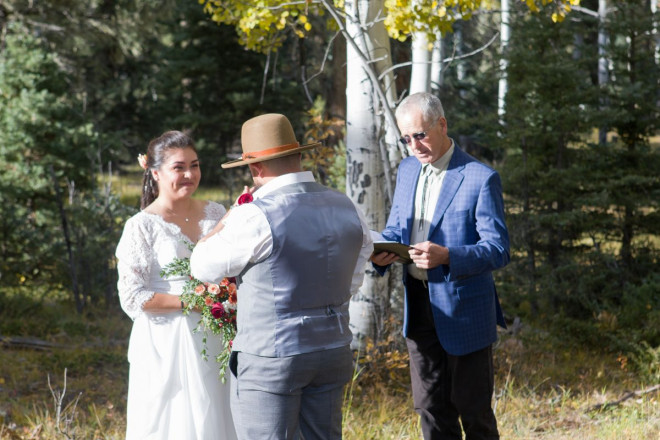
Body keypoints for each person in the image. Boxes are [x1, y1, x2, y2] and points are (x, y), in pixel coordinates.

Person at [190, 113, 373, 440]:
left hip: (271, 356)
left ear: (255, 168)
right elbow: (353, 280)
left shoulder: (255, 215)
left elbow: (202, 266)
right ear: (298, 155)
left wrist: (227, 218)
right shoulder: (347, 207)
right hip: (333, 349)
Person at [371, 92, 510, 440]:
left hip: (465, 312)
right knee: (430, 410)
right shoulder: (407, 170)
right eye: (406, 139)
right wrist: (382, 251)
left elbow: (498, 249)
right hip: (418, 307)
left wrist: (448, 255)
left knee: (474, 412)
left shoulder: (480, 177)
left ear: (442, 124)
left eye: (420, 134)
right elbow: (396, 227)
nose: (414, 145)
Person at [115, 130, 237, 440]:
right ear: (155, 172)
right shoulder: (141, 225)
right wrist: (194, 302)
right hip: (166, 340)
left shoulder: (216, 212)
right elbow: (132, 296)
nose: (189, 174)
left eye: (194, 165)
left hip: (216, 334)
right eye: (178, 167)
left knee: (218, 414)